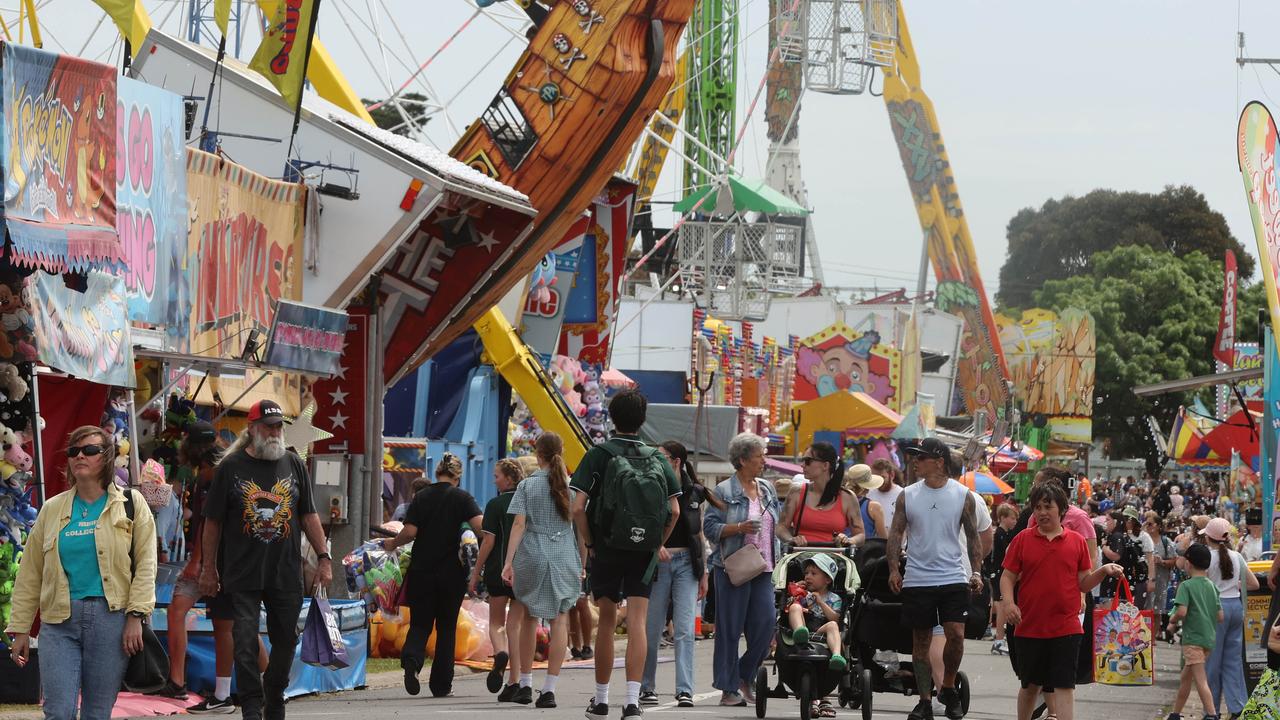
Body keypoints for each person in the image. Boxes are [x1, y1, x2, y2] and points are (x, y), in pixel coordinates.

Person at [6, 426, 157, 720]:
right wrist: (21, 628)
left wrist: (136, 616)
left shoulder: (131, 504)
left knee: (96, 714)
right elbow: (29, 573)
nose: (79, 456)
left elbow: (146, 563)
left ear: (108, 457)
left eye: (89, 450)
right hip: (58, 622)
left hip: (111, 620)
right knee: (58, 712)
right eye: (74, 451)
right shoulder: (51, 509)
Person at [199, 400, 331, 720]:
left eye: (278, 427)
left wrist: (325, 557)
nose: (275, 432)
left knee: (286, 638)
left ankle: (274, 689)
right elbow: (212, 522)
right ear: (252, 429)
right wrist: (208, 568)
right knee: (244, 641)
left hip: (285, 571)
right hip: (241, 571)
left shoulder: (293, 463)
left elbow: (309, 514)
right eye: (269, 426)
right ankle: (252, 706)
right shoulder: (230, 469)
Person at [570, 390, 681, 720]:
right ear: (642, 419)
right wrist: (655, 541)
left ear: (611, 416)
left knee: (605, 621)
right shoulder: (657, 458)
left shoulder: (598, 455)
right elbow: (674, 510)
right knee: (638, 623)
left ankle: (601, 700)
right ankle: (633, 702)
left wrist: (590, 545)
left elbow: (577, 508)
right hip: (643, 550)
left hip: (606, 546)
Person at [164, 420, 268, 712]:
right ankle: (182, 682)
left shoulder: (213, 474)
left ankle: (216, 690)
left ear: (191, 445)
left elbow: (211, 522)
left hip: (215, 561)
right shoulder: (223, 468)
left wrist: (198, 561)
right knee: (233, 623)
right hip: (224, 559)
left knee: (229, 624)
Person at [1000, 481, 1124, 720]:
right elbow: (1007, 576)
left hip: (1067, 627)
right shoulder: (1023, 539)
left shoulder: (1076, 541)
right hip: (1030, 626)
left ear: (1062, 510)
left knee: (1065, 685)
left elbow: (1083, 583)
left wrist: (1104, 570)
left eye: (1048, 506)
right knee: (1030, 686)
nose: (1042, 512)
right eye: (1037, 507)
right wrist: (1009, 604)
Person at [886, 438, 983, 720]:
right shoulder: (908, 494)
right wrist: (894, 569)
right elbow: (896, 534)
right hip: (918, 579)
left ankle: (949, 688)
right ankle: (925, 700)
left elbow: (973, 538)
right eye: (915, 457)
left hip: (953, 576)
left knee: (956, 635)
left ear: (939, 461)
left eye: (922, 457)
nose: (915, 462)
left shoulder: (962, 495)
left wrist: (975, 572)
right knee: (921, 643)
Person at [381, 451, 482, 698]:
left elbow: (410, 532)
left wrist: (393, 544)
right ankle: (440, 685)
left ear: (437, 474)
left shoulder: (422, 497)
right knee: (446, 629)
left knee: (420, 623)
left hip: (422, 572)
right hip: (452, 575)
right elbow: (481, 527)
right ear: (457, 477)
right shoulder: (463, 498)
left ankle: (412, 662)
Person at [502, 432, 584, 709]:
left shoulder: (526, 486)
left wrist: (508, 561)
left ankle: (525, 684)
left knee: (528, 617)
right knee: (560, 620)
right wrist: (582, 564)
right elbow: (581, 533)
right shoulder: (572, 489)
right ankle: (549, 690)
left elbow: (518, 525)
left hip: (532, 555)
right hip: (563, 555)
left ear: (538, 454)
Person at [704, 432, 780, 708]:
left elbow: (775, 525)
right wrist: (739, 528)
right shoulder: (724, 491)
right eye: (759, 455)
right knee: (730, 629)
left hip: (764, 567)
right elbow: (709, 528)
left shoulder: (767, 488)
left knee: (766, 624)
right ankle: (728, 688)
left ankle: (744, 675)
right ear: (743, 459)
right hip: (732, 568)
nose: (764, 460)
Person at [640, 441, 709, 708]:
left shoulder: (694, 492)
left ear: (676, 461)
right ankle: (647, 686)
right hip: (659, 562)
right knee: (652, 627)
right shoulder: (653, 488)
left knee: (684, 629)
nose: (656, 462)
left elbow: (698, 532)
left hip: (687, 565)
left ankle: (685, 689)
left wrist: (703, 573)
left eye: (662, 457)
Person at [470, 459, 525, 701]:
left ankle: (500, 652)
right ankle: (515, 679)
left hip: (497, 570)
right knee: (515, 626)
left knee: (496, 623)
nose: (494, 480)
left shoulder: (495, 504)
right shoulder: (526, 501)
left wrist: (475, 571)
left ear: (509, 479)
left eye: (497, 476)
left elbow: (488, 542)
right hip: (522, 570)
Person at [1201, 516, 1259, 718]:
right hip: (1236, 608)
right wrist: (1235, 585)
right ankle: (1237, 707)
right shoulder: (1237, 556)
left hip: (1216, 610)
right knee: (1233, 662)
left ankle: (1212, 711)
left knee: (1212, 663)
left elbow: (1203, 588)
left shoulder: (1207, 558)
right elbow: (1254, 585)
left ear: (1208, 538)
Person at [1167, 543, 1223, 720]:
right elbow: (1220, 616)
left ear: (1188, 564)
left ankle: (1212, 715)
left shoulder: (1186, 586)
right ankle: (1176, 714)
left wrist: (1172, 620)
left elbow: (1181, 611)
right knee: (1186, 677)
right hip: (1208, 639)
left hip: (1193, 640)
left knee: (1200, 679)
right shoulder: (1212, 586)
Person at [778, 443, 863, 548]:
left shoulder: (848, 497)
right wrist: (791, 539)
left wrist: (848, 540)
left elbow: (861, 535)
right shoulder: (796, 492)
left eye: (808, 461)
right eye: (803, 460)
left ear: (825, 466)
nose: (802, 465)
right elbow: (781, 527)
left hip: (834, 559)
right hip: (800, 559)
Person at [783, 554, 847, 673]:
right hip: (804, 624)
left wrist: (821, 602)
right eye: (806, 573)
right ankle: (800, 632)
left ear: (827, 580)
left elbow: (836, 619)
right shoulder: (803, 594)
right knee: (795, 607)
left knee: (833, 625)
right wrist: (795, 591)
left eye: (813, 573)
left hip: (821, 628)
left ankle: (836, 656)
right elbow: (788, 608)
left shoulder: (834, 598)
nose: (808, 577)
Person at [988, 503, 1019, 655]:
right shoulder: (999, 534)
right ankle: (999, 640)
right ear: (1002, 518)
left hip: (999, 572)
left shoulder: (1005, 534)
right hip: (999, 573)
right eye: (1012, 518)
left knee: (1000, 607)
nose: (1014, 521)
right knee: (1001, 608)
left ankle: (1000, 638)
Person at [1146, 513, 1178, 637]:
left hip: (1161, 580)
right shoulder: (1143, 538)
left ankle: (1152, 638)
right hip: (1146, 579)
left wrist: (1162, 561)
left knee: (1157, 609)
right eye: (1146, 523)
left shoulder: (1166, 542)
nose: (1147, 526)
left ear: (1158, 526)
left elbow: (1174, 560)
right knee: (1145, 607)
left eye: (1150, 524)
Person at [845, 464, 885, 540]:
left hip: (840, 549)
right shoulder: (874, 507)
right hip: (865, 550)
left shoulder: (839, 502)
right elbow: (883, 539)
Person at [869, 458, 903, 531]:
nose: (879, 482)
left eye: (882, 477)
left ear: (892, 475)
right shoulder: (868, 493)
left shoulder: (902, 494)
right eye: (876, 478)